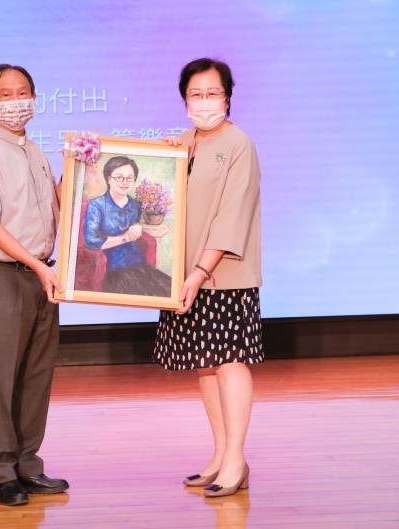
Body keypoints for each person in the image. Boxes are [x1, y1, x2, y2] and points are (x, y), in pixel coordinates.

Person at [153, 58, 264, 497]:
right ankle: (220, 455)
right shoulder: (180, 143)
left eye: (212, 93)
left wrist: (200, 272)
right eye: (195, 94)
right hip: (182, 276)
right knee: (205, 364)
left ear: (228, 97)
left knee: (230, 361)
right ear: (184, 99)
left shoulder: (239, 144)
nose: (204, 102)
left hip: (224, 275)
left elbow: (231, 216)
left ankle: (236, 460)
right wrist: (158, 164)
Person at [0, 64, 69, 506]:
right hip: (3, 275)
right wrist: (36, 266)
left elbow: (57, 207)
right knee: (0, 377)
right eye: (5, 95)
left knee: (36, 375)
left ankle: (28, 465)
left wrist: (80, 168)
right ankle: (0, 471)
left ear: (35, 99)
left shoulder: (36, 152)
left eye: (23, 93)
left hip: (43, 275)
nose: (15, 102)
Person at [83, 156, 172, 297]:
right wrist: (125, 238)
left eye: (130, 178)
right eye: (119, 177)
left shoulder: (135, 205)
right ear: (108, 179)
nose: (125, 182)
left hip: (138, 265)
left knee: (169, 290)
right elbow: (91, 240)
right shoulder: (96, 205)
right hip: (112, 271)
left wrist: (139, 226)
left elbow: (136, 226)